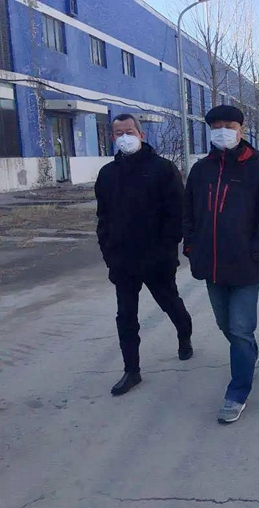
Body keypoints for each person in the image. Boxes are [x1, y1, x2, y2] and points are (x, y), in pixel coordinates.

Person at [183, 105, 259, 424]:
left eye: (230, 125)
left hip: (245, 266)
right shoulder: (201, 171)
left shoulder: (258, 171)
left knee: (240, 328)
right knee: (226, 325)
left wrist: (257, 251)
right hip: (211, 266)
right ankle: (249, 353)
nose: (223, 131)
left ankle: (237, 392)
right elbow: (188, 213)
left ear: (241, 129)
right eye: (216, 126)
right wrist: (191, 247)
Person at [95, 114, 193, 397]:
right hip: (122, 260)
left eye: (129, 131)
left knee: (170, 303)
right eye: (118, 133)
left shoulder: (162, 169)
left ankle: (184, 334)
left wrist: (166, 249)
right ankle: (132, 370)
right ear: (113, 138)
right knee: (125, 316)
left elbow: (177, 213)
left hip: (157, 258)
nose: (124, 137)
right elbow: (103, 217)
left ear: (141, 134)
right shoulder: (107, 174)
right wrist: (108, 251)